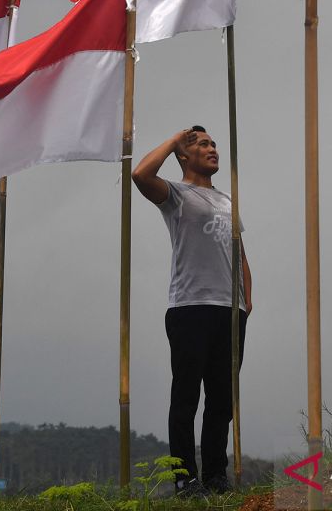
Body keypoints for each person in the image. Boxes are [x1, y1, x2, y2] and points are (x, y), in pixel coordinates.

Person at [132, 126, 252, 495]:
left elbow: (239, 252)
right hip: (190, 307)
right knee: (187, 396)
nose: (212, 148)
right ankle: (185, 478)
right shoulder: (177, 195)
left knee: (222, 398)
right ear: (185, 155)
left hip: (229, 309)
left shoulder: (228, 200)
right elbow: (140, 175)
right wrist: (172, 141)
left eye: (214, 143)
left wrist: (248, 299)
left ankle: (216, 475)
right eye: (203, 144)